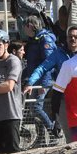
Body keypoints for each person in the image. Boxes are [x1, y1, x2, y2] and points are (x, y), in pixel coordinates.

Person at [21, 15, 58, 143]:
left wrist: (44, 83)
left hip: (43, 81)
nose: (23, 30)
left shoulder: (44, 39)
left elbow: (49, 63)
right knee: (33, 110)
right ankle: (41, 138)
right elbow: (31, 63)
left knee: (37, 108)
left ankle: (54, 133)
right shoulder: (34, 40)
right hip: (35, 80)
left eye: (24, 27)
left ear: (30, 26)